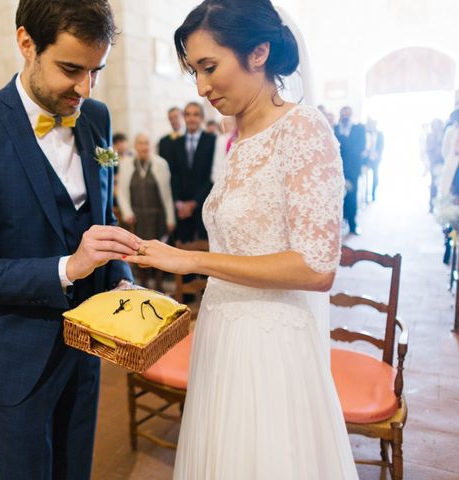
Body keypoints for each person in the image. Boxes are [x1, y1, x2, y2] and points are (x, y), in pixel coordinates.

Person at [126, 0, 358, 477]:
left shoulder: (303, 129)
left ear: (258, 53)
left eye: (209, 67)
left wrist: (194, 262)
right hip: (223, 331)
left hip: (272, 343)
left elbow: (316, 268)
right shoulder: (238, 142)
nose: (202, 87)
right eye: (194, 72)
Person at [0, 1, 137, 478]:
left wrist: (121, 277)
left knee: (76, 468)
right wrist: (68, 268)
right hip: (19, 354)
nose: (85, 89)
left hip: (87, 344)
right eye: (71, 69)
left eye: (97, 71)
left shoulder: (96, 118)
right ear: (26, 43)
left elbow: (102, 210)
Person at [116, 133, 175, 290]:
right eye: (141, 143)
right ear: (135, 146)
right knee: (139, 253)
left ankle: (159, 285)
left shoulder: (161, 164)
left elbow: (167, 194)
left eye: (147, 143)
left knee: (159, 252)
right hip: (137, 218)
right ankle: (143, 285)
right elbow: (121, 192)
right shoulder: (127, 164)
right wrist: (127, 212)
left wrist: (170, 218)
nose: (144, 147)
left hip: (157, 216)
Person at [169, 101, 216, 243]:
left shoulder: (212, 140)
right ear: (184, 117)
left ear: (202, 118)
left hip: (204, 203)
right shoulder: (176, 143)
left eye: (196, 115)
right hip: (182, 208)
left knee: (205, 247)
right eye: (188, 115)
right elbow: (173, 175)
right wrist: (178, 202)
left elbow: (212, 176)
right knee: (184, 247)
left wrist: (194, 202)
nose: (191, 118)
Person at [335, 106, 366, 235]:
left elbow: (358, 149)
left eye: (347, 115)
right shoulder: (335, 129)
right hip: (337, 170)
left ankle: (353, 224)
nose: (345, 117)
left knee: (352, 197)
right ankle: (341, 223)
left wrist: (343, 141)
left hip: (352, 170)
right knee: (338, 198)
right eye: (343, 114)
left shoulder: (359, 129)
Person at [363, 118, 384, 202]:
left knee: (375, 176)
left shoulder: (380, 134)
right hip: (367, 159)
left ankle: (373, 194)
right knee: (365, 176)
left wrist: (377, 155)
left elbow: (381, 146)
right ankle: (365, 195)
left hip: (376, 159)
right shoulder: (365, 133)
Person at [426, 119, 445, 211]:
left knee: (444, 184)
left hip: (443, 162)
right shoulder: (430, 136)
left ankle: (441, 205)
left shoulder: (444, 134)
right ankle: (431, 205)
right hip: (434, 163)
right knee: (433, 184)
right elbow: (428, 150)